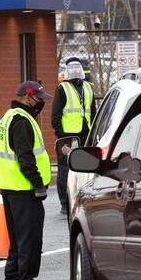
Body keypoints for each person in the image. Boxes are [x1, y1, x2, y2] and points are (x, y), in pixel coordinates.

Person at [0, 81, 53, 280]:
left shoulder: (8, 117)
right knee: (29, 238)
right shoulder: (21, 121)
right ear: (28, 98)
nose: (41, 104)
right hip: (24, 188)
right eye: (39, 99)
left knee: (18, 239)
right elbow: (25, 157)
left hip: (10, 188)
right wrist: (38, 183)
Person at [52, 59, 97, 215]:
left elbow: (94, 112)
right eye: (71, 68)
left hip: (86, 134)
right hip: (67, 136)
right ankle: (65, 203)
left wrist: (95, 132)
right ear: (66, 71)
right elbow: (55, 115)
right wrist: (61, 136)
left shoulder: (88, 88)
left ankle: (84, 199)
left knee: (85, 168)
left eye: (77, 67)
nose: (75, 70)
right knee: (65, 168)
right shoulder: (62, 89)